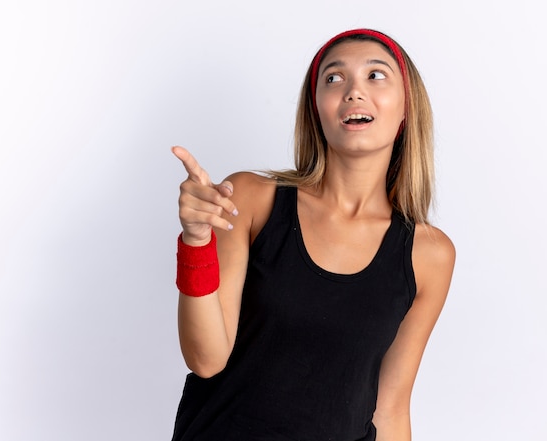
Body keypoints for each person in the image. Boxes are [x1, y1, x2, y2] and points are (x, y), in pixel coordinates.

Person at [169, 28, 455, 441]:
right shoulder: (250, 199)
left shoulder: (429, 254)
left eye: (376, 76)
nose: (354, 92)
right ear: (317, 109)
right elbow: (206, 359)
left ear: (407, 106)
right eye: (334, 78)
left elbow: (390, 409)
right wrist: (196, 242)